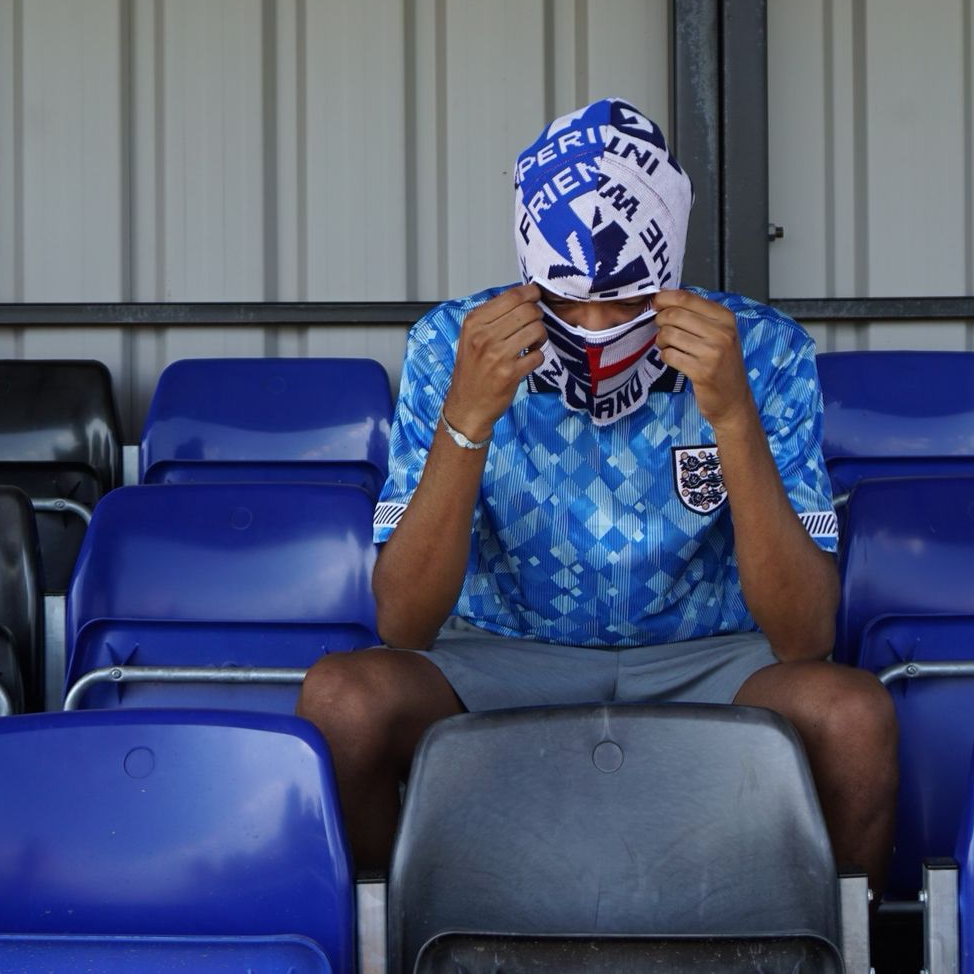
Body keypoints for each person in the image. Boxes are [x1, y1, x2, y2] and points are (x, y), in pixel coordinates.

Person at [298, 97, 896, 885]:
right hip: (501, 654)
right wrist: (468, 416)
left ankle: (833, 949)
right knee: (342, 701)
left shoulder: (762, 348)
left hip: (709, 656)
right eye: (565, 297)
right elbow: (404, 622)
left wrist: (732, 414)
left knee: (856, 718)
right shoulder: (455, 343)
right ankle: (384, 939)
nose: (592, 321)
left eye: (623, 298)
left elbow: (805, 635)